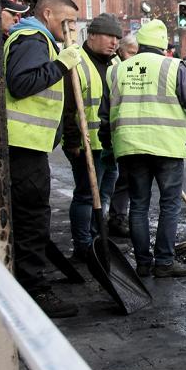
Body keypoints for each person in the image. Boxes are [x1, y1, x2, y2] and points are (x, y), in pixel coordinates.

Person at [99, 19, 186, 278]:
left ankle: (143, 264)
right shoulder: (173, 67)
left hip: (130, 147)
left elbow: (106, 115)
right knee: (169, 205)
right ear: (164, 45)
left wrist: (108, 146)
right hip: (166, 147)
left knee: (138, 205)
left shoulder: (117, 70)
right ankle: (164, 262)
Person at [3, 0, 82, 317]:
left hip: (29, 146)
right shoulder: (33, 40)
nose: (72, 28)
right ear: (48, 14)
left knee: (30, 217)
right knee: (32, 218)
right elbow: (21, 84)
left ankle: (28, 285)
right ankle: (34, 291)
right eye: (68, 21)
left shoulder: (40, 41)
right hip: (24, 147)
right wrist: (62, 64)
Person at [60, 14, 123, 262]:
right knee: (86, 196)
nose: (114, 42)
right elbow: (67, 106)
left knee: (105, 195)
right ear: (93, 35)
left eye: (117, 37)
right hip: (88, 145)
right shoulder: (76, 61)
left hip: (111, 144)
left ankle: (98, 239)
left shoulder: (116, 63)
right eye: (109, 36)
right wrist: (72, 141)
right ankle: (83, 246)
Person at [106, 33, 139, 238]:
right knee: (118, 180)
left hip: (126, 133)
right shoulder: (116, 69)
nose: (133, 58)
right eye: (130, 53)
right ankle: (115, 218)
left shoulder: (130, 67)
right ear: (121, 50)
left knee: (124, 179)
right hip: (116, 133)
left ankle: (117, 216)